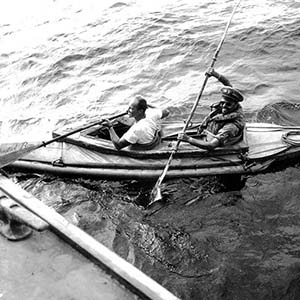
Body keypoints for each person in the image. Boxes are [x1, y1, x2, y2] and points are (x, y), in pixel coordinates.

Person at [178, 68, 245, 150]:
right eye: (222, 103)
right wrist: (214, 74)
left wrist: (188, 139)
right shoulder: (229, 105)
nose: (223, 106)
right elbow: (227, 84)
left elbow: (211, 145)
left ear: (235, 105)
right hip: (207, 132)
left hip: (212, 142)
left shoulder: (231, 127)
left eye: (228, 105)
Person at [103, 95, 169, 150]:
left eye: (131, 108)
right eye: (129, 107)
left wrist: (110, 127)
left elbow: (118, 146)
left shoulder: (137, 129)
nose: (127, 110)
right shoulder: (151, 112)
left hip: (144, 147)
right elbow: (166, 112)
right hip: (151, 138)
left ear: (140, 111)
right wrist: (145, 105)